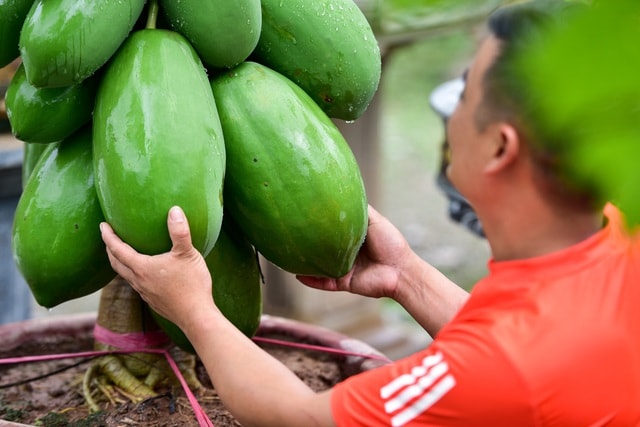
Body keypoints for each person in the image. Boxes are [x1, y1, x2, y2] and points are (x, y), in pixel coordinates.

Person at [100, 1, 640, 425]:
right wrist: (407, 277)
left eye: (466, 94)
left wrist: (193, 308)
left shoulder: (486, 377)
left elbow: (299, 420)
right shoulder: (619, 243)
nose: (451, 113)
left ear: (500, 147)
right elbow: (525, 346)